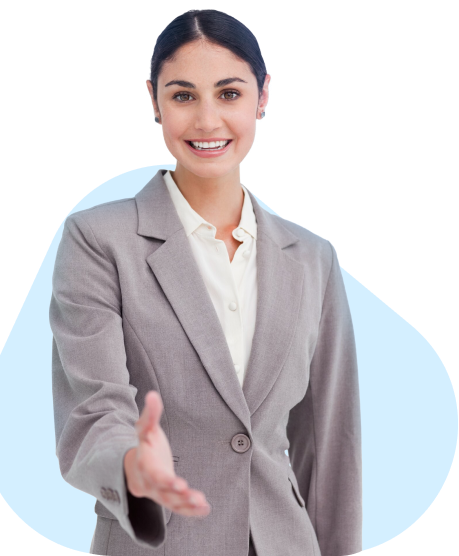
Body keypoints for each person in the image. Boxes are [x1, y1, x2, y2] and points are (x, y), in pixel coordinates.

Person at [49, 8, 362, 556]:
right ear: (154, 101)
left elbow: (331, 443)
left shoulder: (312, 258)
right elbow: (93, 409)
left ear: (263, 97)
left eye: (229, 93)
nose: (207, 120)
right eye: (183, 96)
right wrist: (132, 467)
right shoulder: (98, 241)